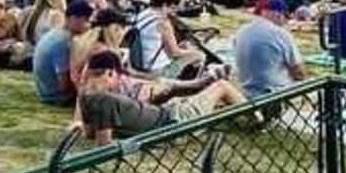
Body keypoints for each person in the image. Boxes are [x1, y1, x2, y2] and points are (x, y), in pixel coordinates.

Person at [74, 51, 244, 144]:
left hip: (167, 114)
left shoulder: (84, 97)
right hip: (173, 124)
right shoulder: (105, 100)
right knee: (222, 86)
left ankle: (241, 116)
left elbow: (89, 134)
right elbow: (103, 143)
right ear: (110, 73)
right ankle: (260, 118)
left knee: (211, 103)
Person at [231, 0, 306, 99]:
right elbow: (300, 74)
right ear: (279, 15)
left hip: (245, 94)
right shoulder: (281, 34)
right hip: (273, 95)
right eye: (285, 17)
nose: (284, 22)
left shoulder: (241, 31)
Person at [31, 0, 94, 107]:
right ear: (72, 18)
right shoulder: (63, 42)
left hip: (44, 91)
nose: (89, 25)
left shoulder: (54, 33)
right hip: (55, 96)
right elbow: (63, 84)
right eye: (86, 20)